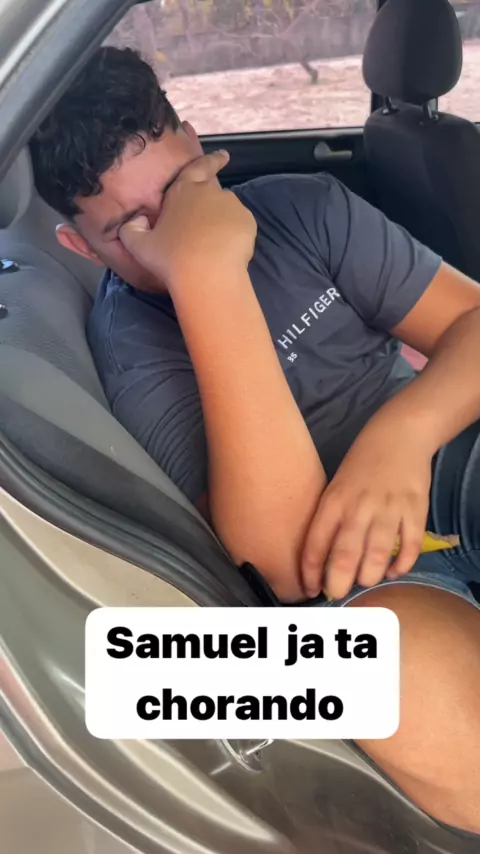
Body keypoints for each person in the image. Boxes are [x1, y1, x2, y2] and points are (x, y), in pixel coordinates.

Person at [30, 47, 480, 835]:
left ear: (199, 143)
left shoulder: (304, 209)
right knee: (390, 677)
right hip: (358, 568)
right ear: (81, 247)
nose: (172, 230)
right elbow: (279, 562)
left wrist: (401, 437)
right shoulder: (130, 348)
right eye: (132, 229)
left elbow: (470, 321)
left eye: (180, 190)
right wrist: (206, 274)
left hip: (445, 456)